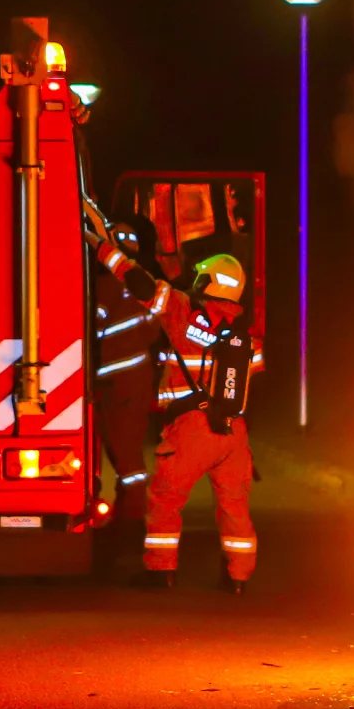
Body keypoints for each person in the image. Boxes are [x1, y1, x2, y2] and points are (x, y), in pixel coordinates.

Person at [84, 201, 262, 592]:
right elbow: (256, 369)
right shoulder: (244, 332)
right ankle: (238, 578)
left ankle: (160, 571)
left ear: (206, 284)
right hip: (235, 432)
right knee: (234, 508)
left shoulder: (182, 309)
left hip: (193, 426)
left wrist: (98, 244)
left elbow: (139, 281)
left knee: (166, 499)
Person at [90, 216, 163, 524]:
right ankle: (128, 515)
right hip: (135, 379)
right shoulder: (146, 282)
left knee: (124, 454)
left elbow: (92, 323)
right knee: (127, 451)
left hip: (118, 383)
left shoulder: (108, 284)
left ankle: (131, 520)